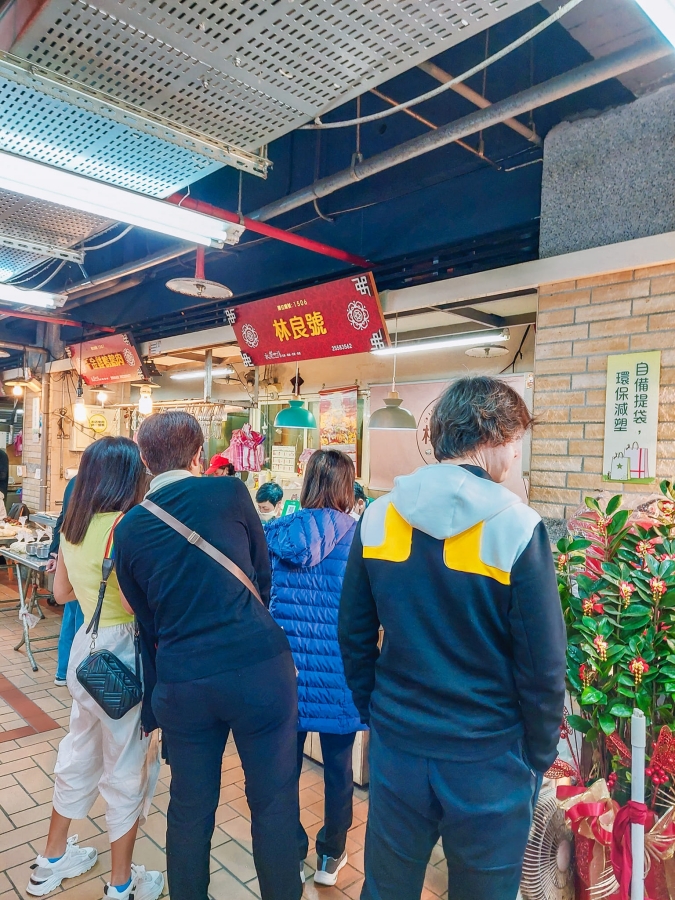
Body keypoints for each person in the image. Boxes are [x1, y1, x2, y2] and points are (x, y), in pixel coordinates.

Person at [339, 376, 567, 900]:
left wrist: (376, 713)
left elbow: (352, 634)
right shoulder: (517, 527)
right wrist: (536, 754)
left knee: (387, 888)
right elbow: (543, 666)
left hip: (399, 748)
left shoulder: (377, 517)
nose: (514, 456)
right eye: (515, 442)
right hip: (488, 758)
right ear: (492, 435)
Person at [114, 411, 302, 900]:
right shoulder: (229, 493)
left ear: (145, 460)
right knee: (275, 803)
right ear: (199, 456)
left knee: (190, 809)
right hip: (259, 668)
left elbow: (146, 621)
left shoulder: (130, 527)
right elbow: (263, 577)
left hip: (184, 679)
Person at [27, 437, 163, 900]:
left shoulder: (73, 525)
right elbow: (134, 603)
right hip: (123, 655)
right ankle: (122, 885)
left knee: (78, 750)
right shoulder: (129, 525)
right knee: (126, 767)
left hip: (85, 652)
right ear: (130, 477)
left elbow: (60, 594)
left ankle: (50, 860)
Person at [266, 450, 365, 887]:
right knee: (339, 770)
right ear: (348, 487)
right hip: (340, 673)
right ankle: (331, 856)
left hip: (287, 673)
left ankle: (290, 850)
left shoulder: (279, 532)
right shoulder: (360, 537)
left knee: (283, 769)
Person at [47, 476, 84, 687]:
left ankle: (63, 672)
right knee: (81, 618)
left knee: (71, 615)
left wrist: (54, 553)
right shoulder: (104, 483)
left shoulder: (75, 481)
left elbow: (61, 520)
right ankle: (76, 675)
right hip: (83, 557)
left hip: (69, 553)